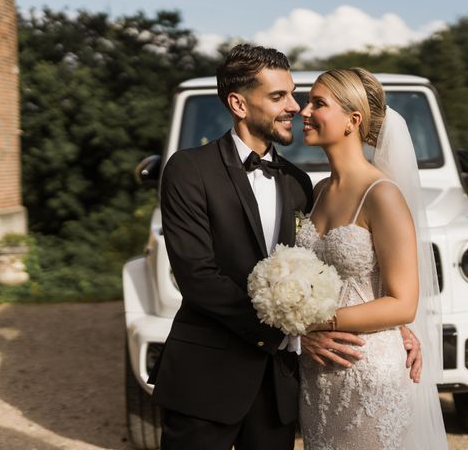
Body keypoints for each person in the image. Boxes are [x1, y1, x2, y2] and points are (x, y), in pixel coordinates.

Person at [148, 45, 422, 450]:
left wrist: (393, 321)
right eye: (280, 97)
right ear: (239, 104)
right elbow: (197, 276)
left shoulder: (298, 183)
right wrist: (291, 334)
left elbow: (336, 271)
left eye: (298, 95)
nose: (295, 107)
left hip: (282, 388)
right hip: (208, 378)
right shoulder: (189, 170)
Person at [297, 68, 448, 449]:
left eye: (318, 103)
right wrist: (301, 329)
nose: (303, 111)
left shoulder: (382, 195)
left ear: (353, 120)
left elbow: (403, 303)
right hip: (317, 374)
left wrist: (317, 321)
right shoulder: (316, 192)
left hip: (369, 374)